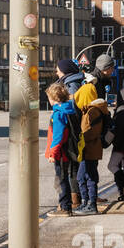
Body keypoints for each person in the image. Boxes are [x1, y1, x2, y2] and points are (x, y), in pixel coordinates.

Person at [45, 81, 80, 216]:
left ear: (54, 98)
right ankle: (67, 205)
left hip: (61, 152)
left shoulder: (58, 114)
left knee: (61, 179)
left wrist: (53, 153)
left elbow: (58, 136)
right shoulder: (69, 109)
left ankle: (65, 207)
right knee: (65, 177)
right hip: (69, 150)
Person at [55, 58, 86, 207]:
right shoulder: (70, 82)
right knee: (73, 165)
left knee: (70, 166)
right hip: (73, 129)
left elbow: (73, 107)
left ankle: (73, 200)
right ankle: (75, 197)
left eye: (58, 69)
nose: (56, 72)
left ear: (65, 71)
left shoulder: (71, 84)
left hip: (72, 130)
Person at [77, 93, 109, 216]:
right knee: (88, 176)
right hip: (92, 149)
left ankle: (90, 204)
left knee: (86, 177)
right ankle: (87, 203)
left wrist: (80, 139)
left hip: (89, 149)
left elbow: (90, 132)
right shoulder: (95, 110)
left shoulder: (93, 111)